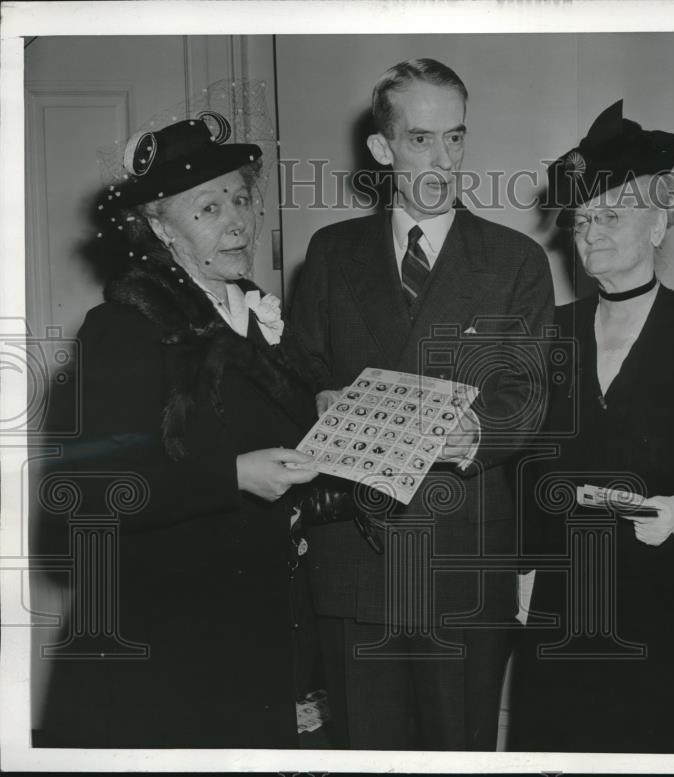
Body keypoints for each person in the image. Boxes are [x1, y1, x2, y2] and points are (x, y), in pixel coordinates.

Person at [288, 58, 554, 750]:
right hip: (355, 560)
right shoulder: (329, 251)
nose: (443, 160)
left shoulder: (515, 260)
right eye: (420, 140)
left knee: (457, 753)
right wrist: (313, 396)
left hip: (463, 558)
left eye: (456, 138)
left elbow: (528, 394)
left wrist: (476, 435)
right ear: (382, 149)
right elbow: (296, 366)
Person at [38, 113, 325, 748]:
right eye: (208, 207)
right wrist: (232, 476)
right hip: (167, 641)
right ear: (158, 227)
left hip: (255, 631)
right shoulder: (125, 329)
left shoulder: (256, 316)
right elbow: (86, 492)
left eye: (242, 198)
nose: (238, 221)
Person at [508, 100, 674, 753]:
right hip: (567, 609)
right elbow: (527, 464)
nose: (591, 231)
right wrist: (527, 569)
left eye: (611, 215)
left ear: (658, 223)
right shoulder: (549, 333)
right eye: (583, 219)